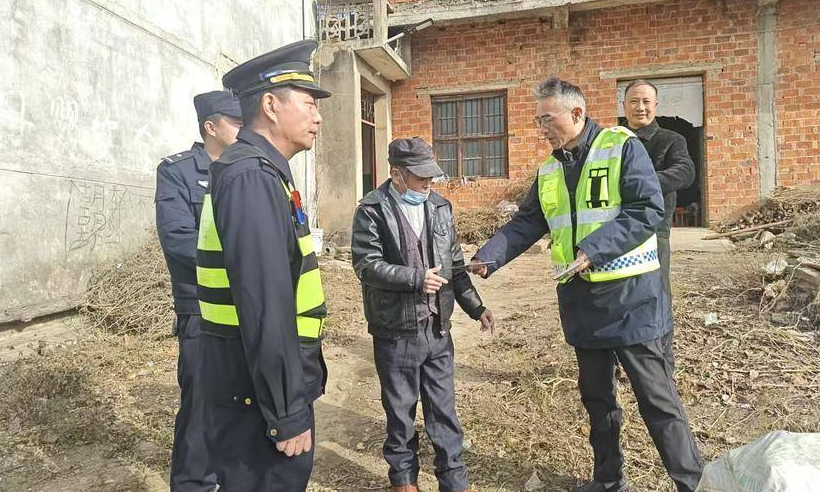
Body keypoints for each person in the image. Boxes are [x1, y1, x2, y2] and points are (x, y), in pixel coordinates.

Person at [469, 77, 703, 492]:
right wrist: (490, 256)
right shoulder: (549, 169)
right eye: (538, 120)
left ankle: (693, 483)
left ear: (576, 113)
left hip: (631, 298)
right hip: (582, 301)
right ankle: (608, 480)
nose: (541, 128)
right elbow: (529, 221)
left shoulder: (621, 146)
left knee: (657, 399)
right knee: (597, 399)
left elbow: (646, 208)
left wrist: (594, 249)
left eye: (547, 119)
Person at [194, 40, 330, 491]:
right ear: (271, 105)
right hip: (255, 394)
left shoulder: (263, 171)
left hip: (257, 384)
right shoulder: (251, 176)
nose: (318, 117)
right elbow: (265, 305)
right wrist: (286, 411)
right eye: (309, 104)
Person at [351, 137, 496, 492]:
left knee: (444, 410)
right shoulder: (372, 210)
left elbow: (455, 265)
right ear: (396, 174)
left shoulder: (440, 207)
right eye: (420, 177)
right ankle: (404, 479)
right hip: (396, 331)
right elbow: (366, 265)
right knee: (400, 411)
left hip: (437, 329)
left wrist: (476, 307)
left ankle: (454, 480)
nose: (428, 183)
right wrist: (415, 278)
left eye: (431, 175)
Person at [155, 89, 241, 492]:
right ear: (211, 127)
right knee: (202, 407)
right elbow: (178, 239)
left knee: (242, 405)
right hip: (202, 310)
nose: (243, 129)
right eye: (236, 123)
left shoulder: (245, 170)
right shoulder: (177, 172)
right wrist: (240, 262)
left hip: (245, 307)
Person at [622, 79, 695, 298]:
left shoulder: (671, 140)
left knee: (656, 292)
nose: (640, 107)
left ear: (655, 105)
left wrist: (641, 183)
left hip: (654, 228)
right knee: (621, 292)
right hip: (616, 227)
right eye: (633, 101)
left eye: (646, 102)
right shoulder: (610, 141)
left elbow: (685, 171)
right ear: (623, 105)